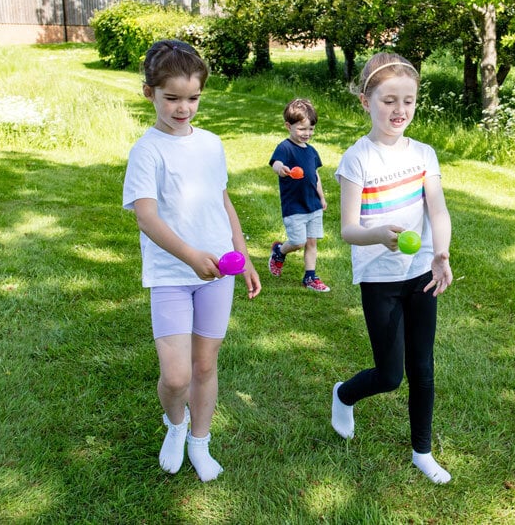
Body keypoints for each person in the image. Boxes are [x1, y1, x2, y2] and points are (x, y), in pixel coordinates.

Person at [122, 39, 262, 482]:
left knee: (205, 365)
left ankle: (200, 442)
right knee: (178, 376)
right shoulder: (147, 151)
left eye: (193, 98)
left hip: (218, 272)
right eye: (172, 98)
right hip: (171, 275)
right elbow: (146, 217)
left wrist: (243, 254)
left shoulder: (212, 144)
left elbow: (223, 200)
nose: (184, 108)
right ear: (150, 94)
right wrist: (189, 257)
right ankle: (175, 425)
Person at [331, 52, 454, 484]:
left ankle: (423, 451)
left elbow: (437, 210)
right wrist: (379, 233)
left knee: (422, 367)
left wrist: (442, 253)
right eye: (388, 101)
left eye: (408, 100)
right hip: (379, 278)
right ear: (366, 101)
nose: (399, 110)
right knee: (389, 375)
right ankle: (344, 395)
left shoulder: (423, 154)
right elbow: (348, 229)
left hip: (420, 273)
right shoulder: (357, 159)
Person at [267, 98, 330, 292]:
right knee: (298, 242)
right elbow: (275, 163)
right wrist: (281, 169)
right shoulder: (285, 148)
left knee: (311, 242)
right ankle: (279, 251)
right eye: (302, 129)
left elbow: (315, 175)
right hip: (294, 205)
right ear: (288, 126)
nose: (307, 134)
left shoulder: (311, 152)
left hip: (312, 204)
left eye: (310, 129)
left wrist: (321, 197)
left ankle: (310, 277)